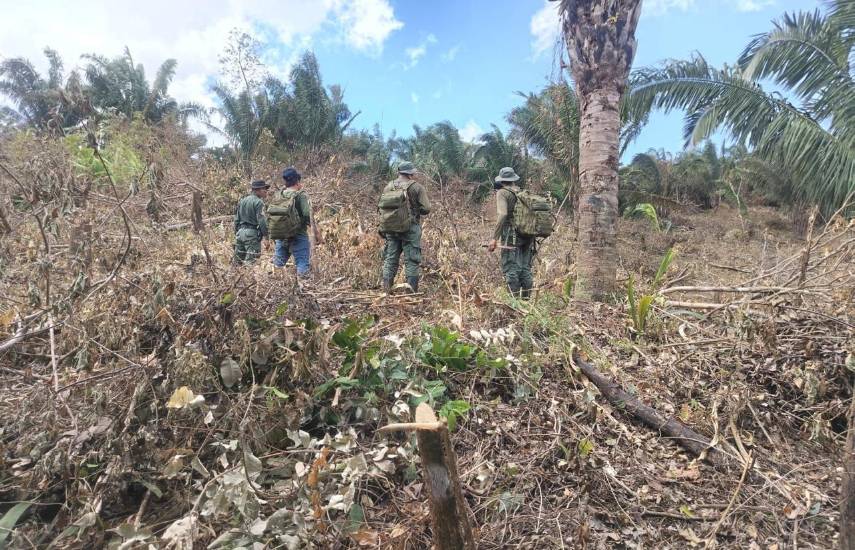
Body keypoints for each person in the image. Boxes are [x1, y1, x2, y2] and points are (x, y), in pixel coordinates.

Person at [380, 161, 431, 293]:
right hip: (410, 228)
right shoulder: (416, 187)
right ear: (410, 174)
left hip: (391, 228)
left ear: (399, 173)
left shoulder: (388, 186)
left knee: (390, 259)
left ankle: (386, 291)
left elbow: (382, 207)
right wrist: (415, 210)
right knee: (412, 260)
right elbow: (426, 208)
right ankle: (410, 294)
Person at [488, 167, 534, 299]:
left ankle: (514, 303)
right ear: (513, 179)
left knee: (511, 268)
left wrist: (494, 238)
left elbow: (502, 214)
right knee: (525, 268)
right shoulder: (521, 192)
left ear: (501, 180)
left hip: (511, 235)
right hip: (528, 234)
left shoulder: (502, 193)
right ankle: (526, 301)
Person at [272, 167, 322, 277]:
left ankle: (274, 283)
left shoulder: (279, 194)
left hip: (281, 235)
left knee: (277, 264)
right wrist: (317, 233)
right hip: (298, 235)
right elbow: (308, 215)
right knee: (302, 263)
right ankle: (303, 285)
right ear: (298, 181)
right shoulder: (300, 196)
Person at [233, 180, 270, 265]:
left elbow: (236, 219)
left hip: (240, 233)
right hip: (251, 234)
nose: (266, 191)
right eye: (264, 189)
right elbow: (261, 221)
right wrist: (266, 237)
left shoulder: (242, 201)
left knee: (237, 262)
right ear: (257, 190)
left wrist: (237, 233)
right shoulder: (259, 202)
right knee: (251, 262)